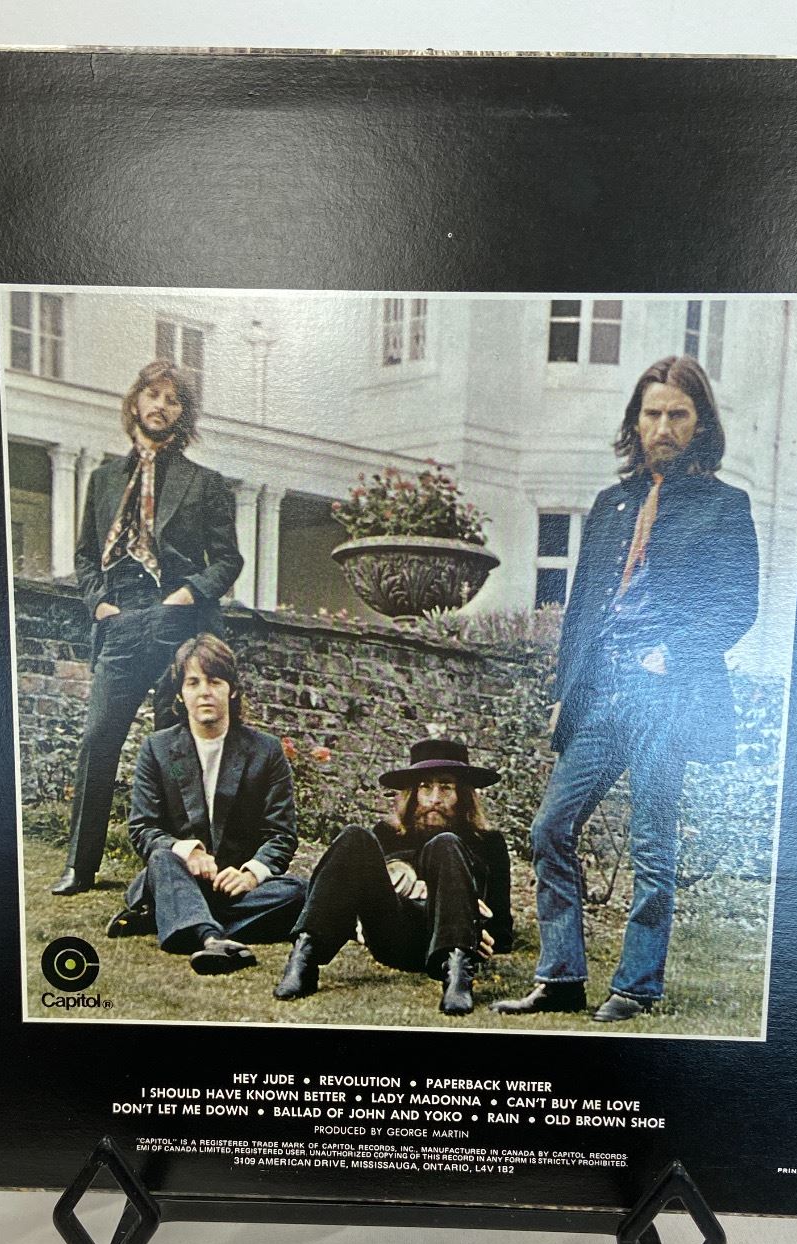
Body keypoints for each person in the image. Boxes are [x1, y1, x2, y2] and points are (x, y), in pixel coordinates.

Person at [495, 354, 758, 1023]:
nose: (663, 427)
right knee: (550, 828)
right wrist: (565, 687)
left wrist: (672, 653)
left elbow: (739, 605)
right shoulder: (609, 505)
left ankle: (636, 984)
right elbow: (583, 606)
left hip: (668, 696)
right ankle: (561, 977)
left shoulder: (726, 507)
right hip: (600, 691)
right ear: (635, 422)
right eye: (652, 414)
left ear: (700, 423)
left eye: (678, 414)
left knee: (651, 845)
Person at [51, 359, 243, 895]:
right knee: (98, 738)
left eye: (173, 400)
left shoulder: (205, 484)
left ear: (183, 414)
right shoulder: (103, 480)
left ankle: (183, 865)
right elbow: (87, 556)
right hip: (121, 621)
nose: (161, 406)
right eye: (153, 395)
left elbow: (228, 561)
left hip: (179, 621)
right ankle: (80, 865)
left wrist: (186, 595)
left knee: (173, 742)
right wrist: (99, 605)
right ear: (135, 401)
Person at [105, 635, 306, 973]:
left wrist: (251, 874)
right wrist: (188, 852)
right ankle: (211, 939)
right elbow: (142, 828)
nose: (204, 692)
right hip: (176, 875)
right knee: (163, 857)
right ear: (180, 694)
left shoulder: (266, 751)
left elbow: (281, 834)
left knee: (302, 892)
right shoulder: (157, 749)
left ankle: (171, 918)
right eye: (193, 682)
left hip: (234, 888)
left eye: (214, 681)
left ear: (232, 689)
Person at [274, 739, 513, 1016]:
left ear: (463, 795)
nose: (435, 798)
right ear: (412, 793)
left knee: (446, 843)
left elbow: (502, 930)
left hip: (448, 944)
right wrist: (397, 866)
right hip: (394, 938)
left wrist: (475, 927)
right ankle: (305, 957)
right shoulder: (387, 835)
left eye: (446, 787)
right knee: (354, 836)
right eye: (425, 787)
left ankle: (458, 975)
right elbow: (356, 894)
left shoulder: (488, 843)